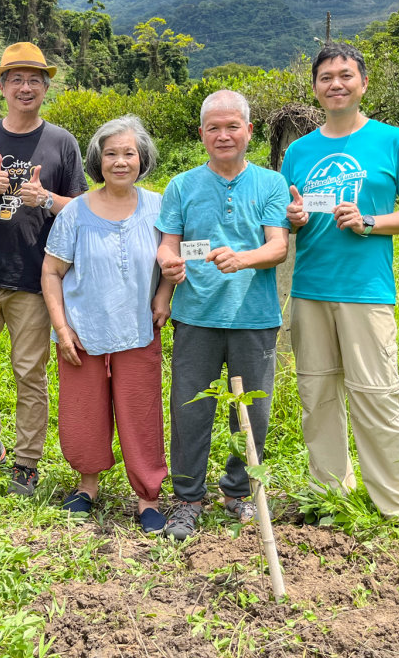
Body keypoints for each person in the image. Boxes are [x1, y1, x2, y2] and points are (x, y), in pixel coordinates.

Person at [281, 42, 399, 521]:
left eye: (346, 75)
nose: (336, 84)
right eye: (326, 77)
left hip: (366, 291)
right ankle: (330, 494)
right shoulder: (299, 151)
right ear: (315, 89)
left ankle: (397, 505)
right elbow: (284, 220)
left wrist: (370, 221)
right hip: (308, 289)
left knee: (376, 395)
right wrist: (293, 218)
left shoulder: (392, 140)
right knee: (317, 397)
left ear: (363, 83)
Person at [156, 89, 290, 540]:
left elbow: (278, 245)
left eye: (232, 125)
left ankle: (238, 491)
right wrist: (167, 262)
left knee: (254, 412)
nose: (223, 134)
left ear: (249, 131)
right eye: (213, 127)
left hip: (254, 316)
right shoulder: (182, 185)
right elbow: (168, 242)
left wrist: (245, 258)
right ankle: (188, 499)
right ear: (201, 134)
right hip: (195, 315)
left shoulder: (270, 183)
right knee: (190, 409)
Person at [0, 42, 89, 495]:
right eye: (16, 79)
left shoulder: (61, 143)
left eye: (34, 79)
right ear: (2, 86)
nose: (25, 87)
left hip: (34, 279)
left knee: (29, 373)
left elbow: (84, 208)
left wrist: (45, 199)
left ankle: (27, 462)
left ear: (46, 87)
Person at [41, 115, 173, 534]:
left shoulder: (159, 207)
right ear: (97, 160)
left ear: (142, 159)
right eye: (111, 154)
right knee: (83, 412)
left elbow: (171, 261)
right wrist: (62, 329)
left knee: (141, 412)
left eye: (128, 153)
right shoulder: (75, 212)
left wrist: (163, 297)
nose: (120, 161)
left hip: (138, 329)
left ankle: (147, 498)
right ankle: (87, 487)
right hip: (83, 331)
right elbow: (51, 273)